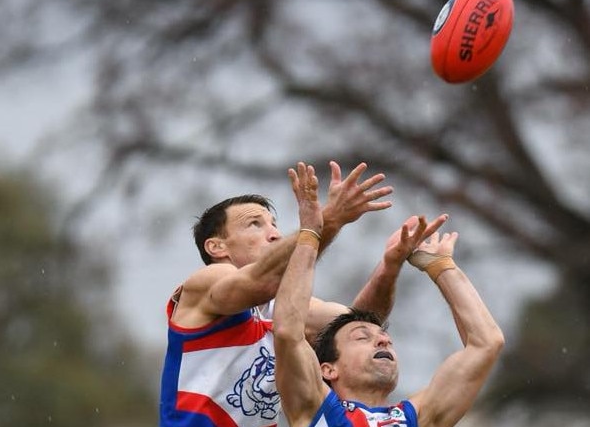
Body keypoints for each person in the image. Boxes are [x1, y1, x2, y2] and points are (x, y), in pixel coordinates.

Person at [159, 160, 447, 427]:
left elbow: (361, 326)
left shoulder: (282, 310)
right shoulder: (208, 281)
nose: (274, 234)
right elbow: (261, 283)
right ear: (217, 247)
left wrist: (390, 265)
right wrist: (326, 221)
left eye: (274, 224)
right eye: (255, 224)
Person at [273, 162, 504, 427]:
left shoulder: (415, 418)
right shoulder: (314, 407)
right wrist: (311, 234)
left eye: (385, 338)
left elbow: (487, 343)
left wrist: (441, 266)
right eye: (362, 337)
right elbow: (287, 331)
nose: (383, 341)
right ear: (328, 369)